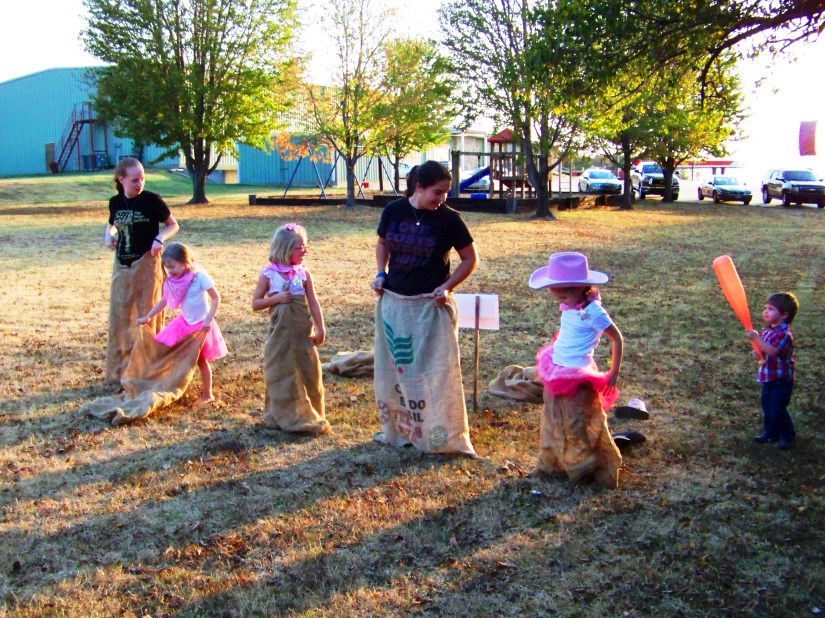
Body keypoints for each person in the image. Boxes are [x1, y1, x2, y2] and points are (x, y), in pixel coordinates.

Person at [371, 161, 479, 455]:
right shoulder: (393, 210)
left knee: (433, 370)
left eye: (445, 193)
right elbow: (382, 243)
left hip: (430, 307)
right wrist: (381, 273)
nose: (442, 198)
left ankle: (439, 432)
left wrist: (448, 286)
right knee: (398, 369)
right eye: (437, 192)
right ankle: (402, 428)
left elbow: (470, 259)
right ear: (418, 187)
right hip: (395, 303)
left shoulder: (449, 219)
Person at [528, 251, 624, 488]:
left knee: (576, 422)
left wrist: (613, 373)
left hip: (576, 375)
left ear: (580, 288)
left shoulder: (594, 312)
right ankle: (554, 463)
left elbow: (617, 339)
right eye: (557, 296)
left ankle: (584, 468)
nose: (561, 302)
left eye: (563, 296)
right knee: (553, 418)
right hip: (557, 367)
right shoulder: (572, 303)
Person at [103, 158, 179, 383]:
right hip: (122, 265)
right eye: (134, 180)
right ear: (122, 179)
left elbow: (173, 225)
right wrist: (108, 235)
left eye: (142, 179)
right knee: (120, 316)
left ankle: (147, 369)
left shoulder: (151, 200)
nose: (140, 184)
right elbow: (112, 224)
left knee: (147, 315)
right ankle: (120, 370)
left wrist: (159, 238)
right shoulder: (115, 202)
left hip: (147, 263)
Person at [252, 223, 330, 435]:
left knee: (309, 371)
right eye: (300, 247)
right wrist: (276, 298)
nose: (305, 250)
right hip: (280, 336)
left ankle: (312, 412)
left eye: (306, 246)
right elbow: (256, 304)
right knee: (280, 371)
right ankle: (279, 413)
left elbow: (313, 303)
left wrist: (320, 329)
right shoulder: (269, 275)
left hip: (303, 334)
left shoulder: (303, 274)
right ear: (285, 248)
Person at [136, 242, 227, 405]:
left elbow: (216, 298)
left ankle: (208, 394)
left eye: (172, 267)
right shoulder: (173, 282)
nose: (170, 271)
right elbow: (164, 301)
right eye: (167, 268)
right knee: (169, 351)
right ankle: (169, 383)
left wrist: (208, 319)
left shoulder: (199, 277)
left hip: (201, 326)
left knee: (200, 360)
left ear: (185, 262)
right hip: (184, 324)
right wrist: (148, 317)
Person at [745, 292, 799, 449]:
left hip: (781, 380)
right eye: (765, 308)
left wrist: (756, 339)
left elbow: (773, 352)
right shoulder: (767, 331)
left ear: (784, 314)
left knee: (777, 409)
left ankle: (787, 435)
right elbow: (763, 351)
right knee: (767, 407)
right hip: (768, 378)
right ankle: (770, 433)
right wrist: (757, 353)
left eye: (771, 309)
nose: (766, 312)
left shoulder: (784, 335)